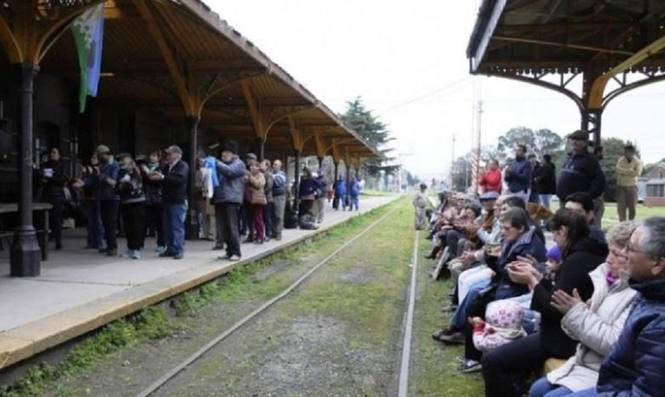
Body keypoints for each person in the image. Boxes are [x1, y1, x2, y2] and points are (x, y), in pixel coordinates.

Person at [481, 208, 608, 396]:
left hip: (563, 340)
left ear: (563, 231)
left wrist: (531, 281)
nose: (554, 240)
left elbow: (553, 308)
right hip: (564, 334)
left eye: (555, 235)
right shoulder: (584, 254)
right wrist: (536, 274)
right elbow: (559, 294)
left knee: (493, 361)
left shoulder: (577, 260)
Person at [529, 221, 638, 397]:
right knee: (537, 389)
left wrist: (577, 313)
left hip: (607, 373)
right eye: (609, 251)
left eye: (617, 255)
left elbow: (613, 344)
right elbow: (581, 331)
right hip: (584, 363)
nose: (609, 259)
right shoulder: (605, 281)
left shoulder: (635, 294)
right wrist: (575, 313)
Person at [584, 217, 665, 396]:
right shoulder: (648, 293)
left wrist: (577, 314)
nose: (624, 254)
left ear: (657, 264)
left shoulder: (659, 324)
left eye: (630, 249)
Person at [149, 145, 189, 260]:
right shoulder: (167, 166)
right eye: (168, 154)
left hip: (178, 200)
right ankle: (170, 248)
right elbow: (164, 180)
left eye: (170, 154)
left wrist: (162, 177)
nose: (168, 156)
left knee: (177, 226)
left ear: (178, 155)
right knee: (167, 226)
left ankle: (178, 249)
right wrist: (157, 178)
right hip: (167, 200)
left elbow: (179, 180)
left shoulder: (183, 166)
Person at [556, 130, 605, 218]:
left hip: (577, 204)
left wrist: (586, 198)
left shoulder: (590, 160)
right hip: (564, 202)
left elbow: (599, 182)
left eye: (578, 139)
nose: (574, 142)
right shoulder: (568, 158)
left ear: (585, 143)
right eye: (573, 139)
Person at [215, 140, 246, 261]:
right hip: (221, 198)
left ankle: (236, 252)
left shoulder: (239, 164)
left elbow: (230, 172)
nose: (223, 157)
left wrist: (216, 163)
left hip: (232, 199)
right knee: (223, 227)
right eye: (222, 155)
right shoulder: (222, 165)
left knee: (232, 226)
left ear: (233, 154)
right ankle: (229, 251)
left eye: (226, 154)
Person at [117, 153, 147, 259]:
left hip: (137, 201)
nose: (122, 161)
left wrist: (123, 185)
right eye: (120, 160)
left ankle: (137, 249)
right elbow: (117, 186)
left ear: (129, 159)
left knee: (137, 226)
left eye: (124, 159)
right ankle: (130, 248)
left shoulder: (136, 169)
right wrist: (122, 185)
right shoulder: (120, 171)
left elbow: (133, 185)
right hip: (126, 202)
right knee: (128, 227)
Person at [39, 147, 68, 250]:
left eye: (55, 152)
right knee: (44, 219)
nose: (52, 154)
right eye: (51, 152)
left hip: (57, 196)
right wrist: (52, 179)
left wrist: (51, 179)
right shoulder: (46, 165)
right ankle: (44, 240)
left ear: (59, 154)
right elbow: (44, 178)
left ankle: (58, 241)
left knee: (57, 219)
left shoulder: (62, 166)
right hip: (47, 195)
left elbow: (62, 179)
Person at [96, 145, 120, 256]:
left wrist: (101, 175)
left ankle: (113, 247)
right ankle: (109, 245)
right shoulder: (103, 165)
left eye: (100, 155)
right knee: (105, 223)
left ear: (106, 154)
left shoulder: (114, 166)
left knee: (110, 223)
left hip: (112, 198)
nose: (99, 158)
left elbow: (113, 182)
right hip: (103, 197)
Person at [141, 151, 165, 253]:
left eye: (154, 156)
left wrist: (149, 174)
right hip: (147, 198)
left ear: (159, 158)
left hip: (158, 198)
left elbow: (159, 181)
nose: (152, 157)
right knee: (143, 223)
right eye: (151, 155)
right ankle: (139, 245)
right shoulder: (145, 167)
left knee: (160, 223)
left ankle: (161, 244)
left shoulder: (162, 168)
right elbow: (144, 180)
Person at [615, 144, 642, 222]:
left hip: (632, 186)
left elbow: (637, 173)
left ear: (632, 153)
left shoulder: (637, 161)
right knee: (621, 207)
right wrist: (630, 170)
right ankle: (622, 224)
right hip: (621, 186)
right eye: (625, 152)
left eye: (629, 152)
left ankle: (631, 224)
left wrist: (624, 172)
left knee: (632, 208)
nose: (626, 154)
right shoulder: (621, 160)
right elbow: (618, 170)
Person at [247, 160, 267, 244]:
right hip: (249, 199)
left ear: (258, 167)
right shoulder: (248, 175)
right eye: (250, 166)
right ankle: (252, 235)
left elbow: (259, 185)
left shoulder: (261, 175)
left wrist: (250, 178)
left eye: (253, 166)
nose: (251, 167)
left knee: (258, 218)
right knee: (250, 219)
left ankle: (260, 236)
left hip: (258, 200)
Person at [271, 159, 286, 241]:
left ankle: (279, 233)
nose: (274, 166)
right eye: (273, 164)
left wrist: (272, 177)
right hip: (272, 195)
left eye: (276, 164)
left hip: (279, 196)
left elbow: (278, 182)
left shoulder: (281, 174)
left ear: (280, 166)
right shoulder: (272, 174)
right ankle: (274, 232)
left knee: (279, 215)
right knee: (273, 215)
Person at [260, 159, 274, 241]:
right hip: (262, 198)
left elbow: (269, 186)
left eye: (262, 164)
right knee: (262, 217)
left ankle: (268, 233)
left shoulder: (268, 175)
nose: (261, 166)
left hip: (267, 199)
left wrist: (262, 192)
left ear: (267, 166)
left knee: (267, 217)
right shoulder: (261, 174)